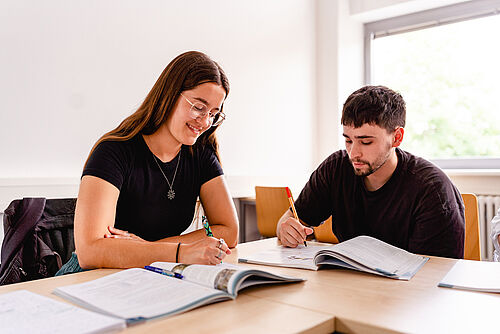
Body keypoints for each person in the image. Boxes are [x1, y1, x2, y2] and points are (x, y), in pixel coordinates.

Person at [57, 51, 238, 274]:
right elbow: (90, 252)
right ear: (170, 95)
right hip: (92, 276)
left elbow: (229, 230)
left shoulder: (200, 154)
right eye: (198, 108)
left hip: (153, 273)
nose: (205, 122)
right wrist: (180, 251)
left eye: (213, 113)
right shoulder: (113, 151)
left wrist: (147, 249)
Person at [276, 85, 465, 258]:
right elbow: (293, 218)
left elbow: (436, 273)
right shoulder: (335, 168)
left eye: (366, 142)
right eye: (348, 140)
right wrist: (285, 229)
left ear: (396, 138)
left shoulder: (432, 189)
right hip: (351, 287)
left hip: (408, 292)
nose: (353, 153)